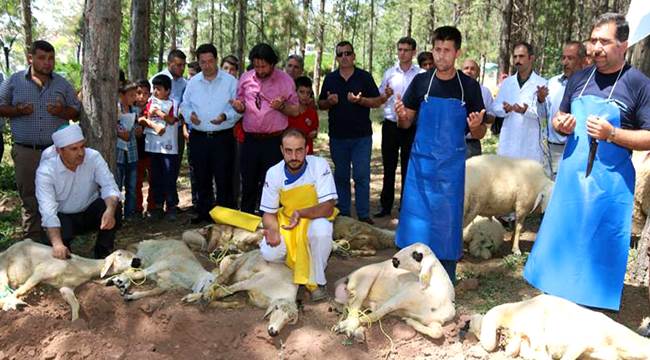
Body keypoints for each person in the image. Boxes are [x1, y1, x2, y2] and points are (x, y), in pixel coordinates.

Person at [524, 13, 650, 311]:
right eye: (593, 40)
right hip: (571, 177)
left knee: (599, 246)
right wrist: (561, 123)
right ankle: (555, 304)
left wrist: (613, 134)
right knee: (563, 241)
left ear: (624, 45)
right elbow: (559, 118)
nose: (596, 48)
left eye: (604, 41)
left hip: (610, 183)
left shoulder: (638, 84)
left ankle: (592, 311)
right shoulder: (580, 79)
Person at [394, 26, 486, 282]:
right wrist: (402, 116)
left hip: (450, 170)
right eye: (437, 50)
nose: (441, 56)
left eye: (447, 51)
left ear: (457, 52)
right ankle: (408, 277)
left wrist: (477, 125)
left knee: (446, 225)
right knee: (415, 222)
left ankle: (446, 279)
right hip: (420, 169)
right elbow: (406, 123)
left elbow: (479, 134)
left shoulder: (468, 87)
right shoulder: (421, 82)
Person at [0, 40, 81, 240]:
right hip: (26, 151)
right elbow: (0, 106)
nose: (47, 63)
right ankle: (32, 241)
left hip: (56, 151)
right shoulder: (14, 81)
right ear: (31, 58)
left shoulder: (62, 83)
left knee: (57, 194)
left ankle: (55, 239)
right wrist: (18, 111)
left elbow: (77, 111)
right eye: (42, 58)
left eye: (51, 58)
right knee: (29, 196)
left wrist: (62, 111)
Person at [259, 128, 338, 301]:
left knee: (322, 231)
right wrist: (272, 230)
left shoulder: (319, 165)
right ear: (281, 150)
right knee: (269, 252)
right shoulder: (273, 173)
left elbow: (328, 208)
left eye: (299, 150)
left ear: (307, 149)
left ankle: (316, 281)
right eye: (288, 151)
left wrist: (301, 213)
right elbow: (268, 213)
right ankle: (296, 264)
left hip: (314, 219)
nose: (294, 156)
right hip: (287, 223)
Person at [318, 40, 389, 224]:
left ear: (354, 55)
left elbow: (377, 101)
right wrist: (329, 102)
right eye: (340, 54)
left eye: (348, 53)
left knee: (361, 176)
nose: (344, 57)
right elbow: (320, 104)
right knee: (341, 176)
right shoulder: (330, 79)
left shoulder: (364, 77)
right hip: (338, 136)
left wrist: (360, 101)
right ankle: (343, 214)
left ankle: (364, 215)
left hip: (361, 137)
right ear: (336, 58)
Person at [35, 124, 122, 259]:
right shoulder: (46, 171)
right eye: (74, 149)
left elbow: (109, 186)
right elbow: (48, 210)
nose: (81, 153)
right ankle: (64, 249)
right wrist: (57, 244)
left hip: (88, 211)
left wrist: (110, 211)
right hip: (62, 216)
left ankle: (103, 252)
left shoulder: (93, 157)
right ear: (59, 151)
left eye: (82, 146)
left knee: (114, 206)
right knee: (62, 256)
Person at [232, 43, 300, 215]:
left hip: (274, 140)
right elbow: (240, 103)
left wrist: (282, 106)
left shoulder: (285, 81)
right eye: (256, 66)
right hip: (250, 140)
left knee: (271, 182)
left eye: (263, 66)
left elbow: (295, 110)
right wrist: (239, 107)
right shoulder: (246, 78)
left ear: (272, 64)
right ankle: (246, 218)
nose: (260, 70)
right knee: (248, 181)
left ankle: (269, 220)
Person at [181, 43, 240, 224]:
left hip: (223, 137)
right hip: (199, 137)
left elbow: (239, 108)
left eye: (210, 61)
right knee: (201, 176)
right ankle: (204, 212)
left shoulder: (230, 82)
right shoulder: (193, 83)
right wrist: (190, 116)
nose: (207, 65)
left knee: (224, 176)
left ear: (216, 59)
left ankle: (225, 214)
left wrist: (225, 116)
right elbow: (184, 105)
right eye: (203, 62)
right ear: (199, 62)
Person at [375, 36, 421, 218]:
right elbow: (379, 97)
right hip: (391, 126)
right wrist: (385, 95)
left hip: (411, 127)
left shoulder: (420, 75)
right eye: (400, 49)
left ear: (413, 52)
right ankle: (385, 206)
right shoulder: (389, 73)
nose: (402, 53)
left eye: (406, 50)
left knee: (408, 168)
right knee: (389, 166)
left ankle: (406, 207)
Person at [492, 42, 548, 164]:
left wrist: (525, 111)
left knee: (527, 181)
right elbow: (495, 107)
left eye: (521, 56)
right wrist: (505, 109)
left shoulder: (542, 83)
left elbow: (545, 114)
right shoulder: (507, 83)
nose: (517, 60)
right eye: (515, 56)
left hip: (530, 146)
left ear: (531, 58)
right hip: (508, 144)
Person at [540, 41, 587, 178]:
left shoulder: (590, 85)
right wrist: (540, 100)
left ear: (583, 60)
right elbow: (544, 114)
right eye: (563, 57)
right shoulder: (552, 83)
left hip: (577, 149)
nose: (565, 62)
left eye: (570, 58)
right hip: (552, 149)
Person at [139, 75, 179, 221]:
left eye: (159, 89)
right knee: (155, 177)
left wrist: (158, 113)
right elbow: (142, 118)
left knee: (169, 177)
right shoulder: (150, 102)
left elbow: (172, 119)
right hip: (154, 147)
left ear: (167, 91)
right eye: (154, 88)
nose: (155, 91)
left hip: (169, 148)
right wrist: (149, 120)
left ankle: (171, 206)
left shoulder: (173, 103)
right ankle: (157, 206)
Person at [461, 59, 496, 157]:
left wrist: (481, 118)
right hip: (450, 143)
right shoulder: (453, 88)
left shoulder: (485, 92)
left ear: (478, 73)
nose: (469, 71)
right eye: (466, 68)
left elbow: (492, 117)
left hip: (472, 144)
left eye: (473, 69)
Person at [116, 82, 139, 220]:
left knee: (131, 185)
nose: (134, 97)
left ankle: (130, 214)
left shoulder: (134, 111)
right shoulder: (115, 111)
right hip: (118, 153)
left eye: (135, 94)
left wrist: (137, 130)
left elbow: (136, 129)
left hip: (132, 153)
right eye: (131, 95)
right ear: (121, 95)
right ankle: (117, 214)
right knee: (117, 185)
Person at [133, 79, 156, 217]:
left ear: (150, 94)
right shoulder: (129, 108)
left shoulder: (153, 108)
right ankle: (137, 208)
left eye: (145, 93)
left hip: (151, 151)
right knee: (136, 182)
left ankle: (152, 207)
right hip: (136, 152)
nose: (141, 96)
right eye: (138, 93)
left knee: (153, 180)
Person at [288, 76, 319, 154]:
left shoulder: (312, 113)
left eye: (308, 93)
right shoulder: (288, 111)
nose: (305, 96)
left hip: (307, 153)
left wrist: (314, 134)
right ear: (295, 92)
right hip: (290, 153)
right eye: (301, 92)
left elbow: (315, 131)